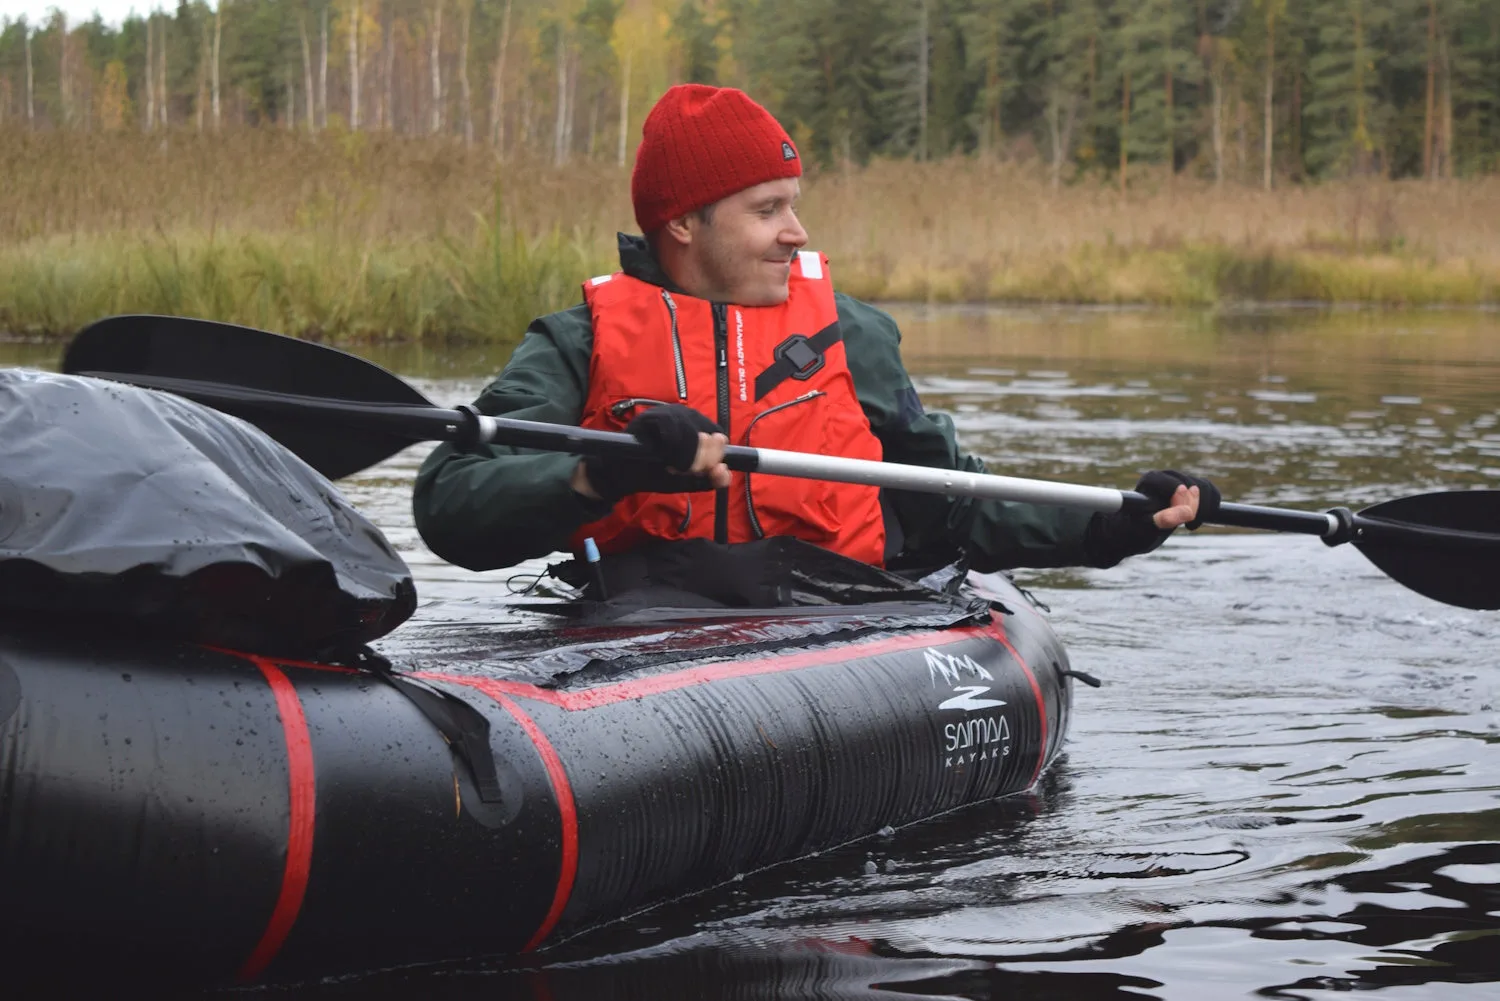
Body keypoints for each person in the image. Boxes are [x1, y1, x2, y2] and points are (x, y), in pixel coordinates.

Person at [413, 84, 1218, 577]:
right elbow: (449, 503)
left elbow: (952, 505)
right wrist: (598, 473)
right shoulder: (580, 341)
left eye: (794, 205)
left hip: (828, 622)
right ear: (684, 223)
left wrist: (1111, 524)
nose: (796, 233)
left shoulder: (849, 335)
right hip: (637, 627)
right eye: (767, 209)